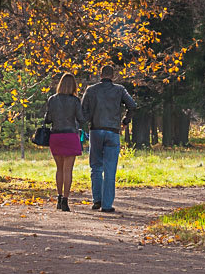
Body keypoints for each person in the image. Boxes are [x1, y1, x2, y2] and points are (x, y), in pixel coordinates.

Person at [80, 64, 136, 213]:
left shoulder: (91, 90)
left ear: (100, 75)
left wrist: (85, 122)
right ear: (113, 76)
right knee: (110, 169)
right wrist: (125, 121)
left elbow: (83, 112)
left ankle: (96, 199)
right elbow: (132, 105)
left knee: (96, 167)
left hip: (96, 130)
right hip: (113, 131)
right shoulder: (119, 90)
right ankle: (106, 205)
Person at [43, 72, 87, 212]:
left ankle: (59, 197)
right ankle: (65, 201)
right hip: (70, 135)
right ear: (73, 86)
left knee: (59, 169)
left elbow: (48, 119)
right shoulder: (75, 101)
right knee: (68, 170)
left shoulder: (52, 99)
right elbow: (81, 118)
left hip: (56, 136)